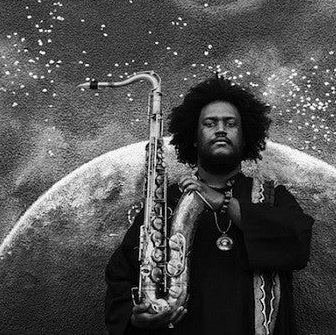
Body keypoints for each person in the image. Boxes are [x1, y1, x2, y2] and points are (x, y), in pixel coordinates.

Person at [105, 75, 314, 334]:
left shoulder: (273, 197)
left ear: (245, 137)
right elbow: (121, 277)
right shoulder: (164, 204)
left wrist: (224, 202)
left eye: (231, 123)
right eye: (210, 123)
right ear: (194, 137)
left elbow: (298, 242)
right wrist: (136, 318)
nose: (221, 129)